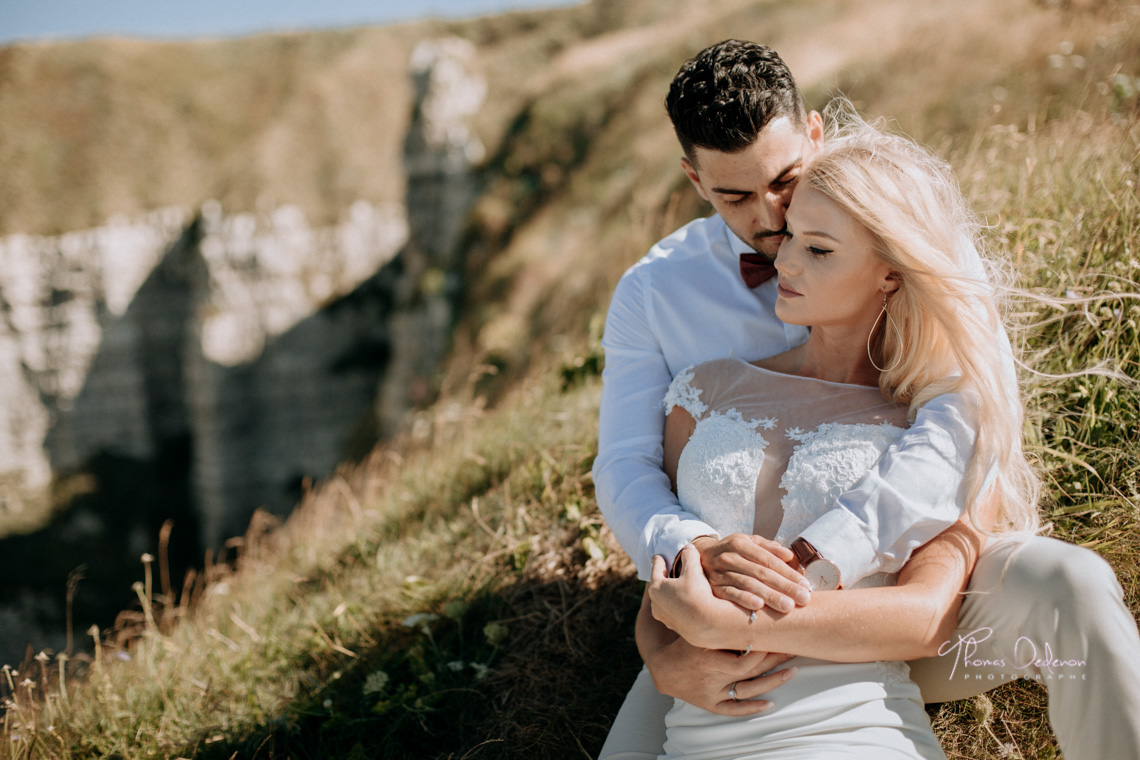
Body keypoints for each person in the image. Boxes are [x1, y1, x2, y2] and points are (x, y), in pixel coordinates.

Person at [593, 39, 1140, 760]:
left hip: (915, 595)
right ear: (695, 179)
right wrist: (675, 609)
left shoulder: (907, 237)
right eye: (735, 195)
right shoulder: (656, 293)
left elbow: (973, 431)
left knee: (1073, 585)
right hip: (725, 616)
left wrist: (839, 560)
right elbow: (631, 469)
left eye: (786, 179)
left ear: (815, 134)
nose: (773, 218)